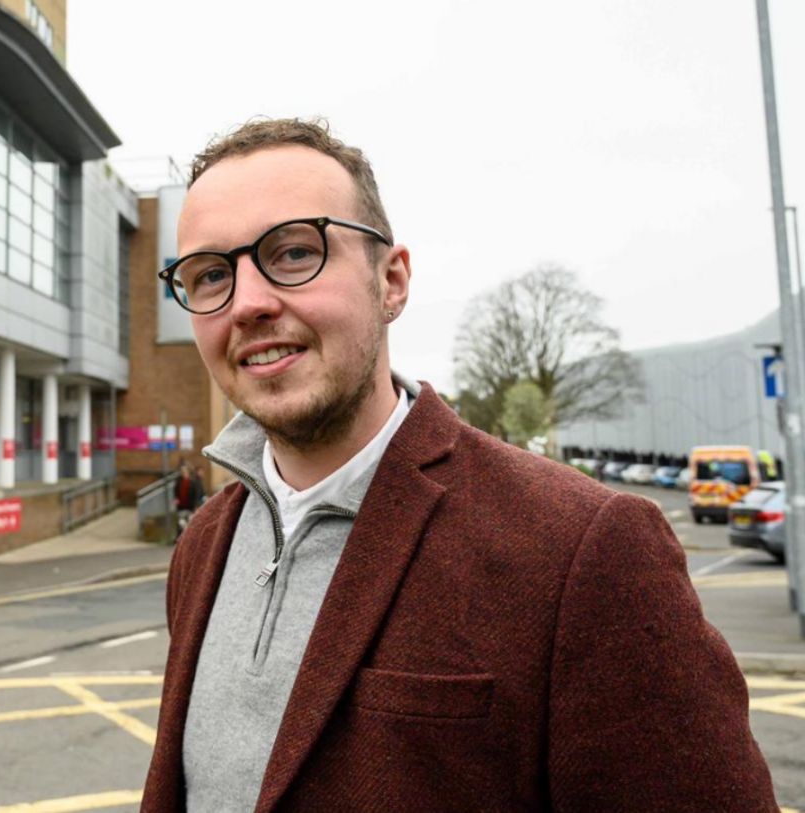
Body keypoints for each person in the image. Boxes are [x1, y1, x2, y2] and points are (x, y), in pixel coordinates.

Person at [141, 118, 774, 811]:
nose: (250, 302)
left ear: (392, 280)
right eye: (210, 275)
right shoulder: (203, 544)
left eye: (294, 252)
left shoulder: (585, 549)